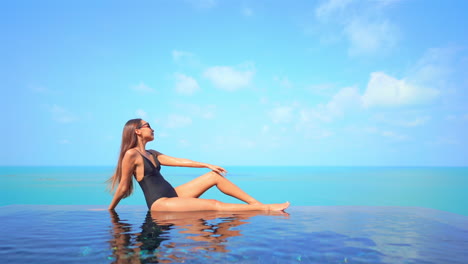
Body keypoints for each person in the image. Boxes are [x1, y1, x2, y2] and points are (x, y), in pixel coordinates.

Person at [107, 118, 290, 212]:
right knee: (214, 204)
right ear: (137, 131)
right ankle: (264, 208)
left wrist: (206, 165)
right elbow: (123, 186)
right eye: (147, 125)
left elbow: (179, 161)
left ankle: (256, 204)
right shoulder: (131, 154)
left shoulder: (152, 153)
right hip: (160, 203)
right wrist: (110, 209)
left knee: (214, 177)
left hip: (173, 194)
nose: (152, 128)